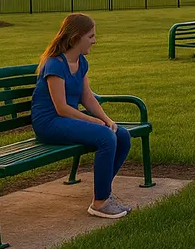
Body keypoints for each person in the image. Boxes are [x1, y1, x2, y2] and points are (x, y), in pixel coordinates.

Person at [31, 12, 133, 218]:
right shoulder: (55, 64)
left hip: (67, 119)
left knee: (121, 135)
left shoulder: (81, 62)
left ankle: (102, 193)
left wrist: (107, 119)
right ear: (76, 37)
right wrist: (94, 122)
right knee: (105, 136)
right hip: (49, 123)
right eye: (91, 36)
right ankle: (101, 202)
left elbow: (87, 98)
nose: (95, 41)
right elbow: (61, 107)